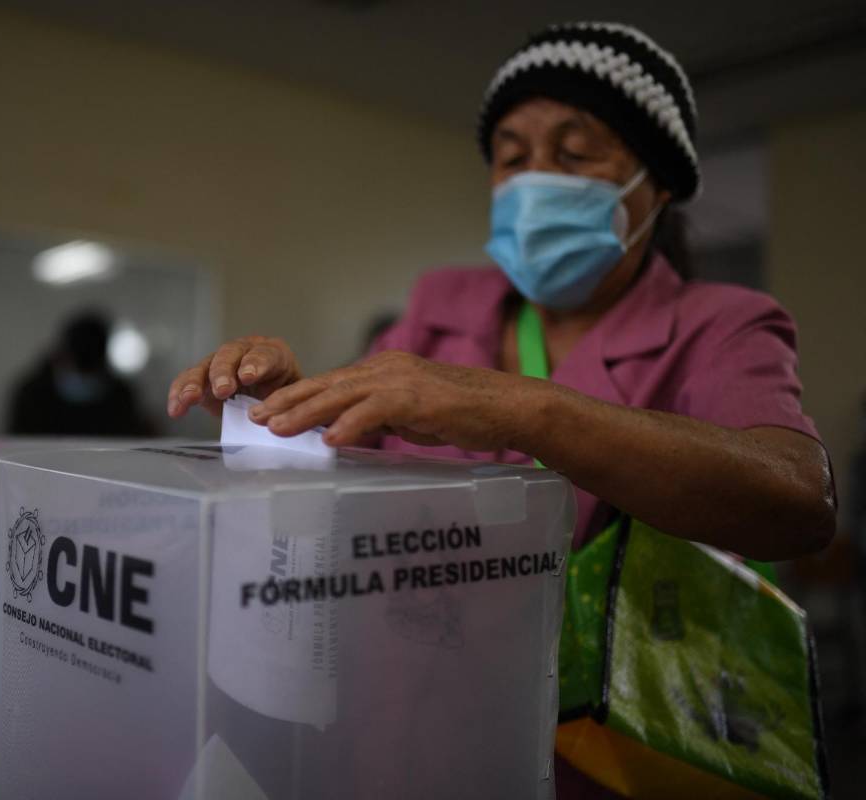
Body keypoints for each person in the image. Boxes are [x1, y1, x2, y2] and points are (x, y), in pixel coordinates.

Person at [166, 21, 835, 796]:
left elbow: (798, 499)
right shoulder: (443, 307)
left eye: (576, 152)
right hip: (403, 736)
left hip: (597, 759)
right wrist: (283, 409)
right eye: (512, 157)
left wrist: (523, 409)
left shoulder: (723, 325)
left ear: (659, 183)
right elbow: (348, 469)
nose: (535, 178)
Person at [7, 310, 154, 437]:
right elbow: (15, 444)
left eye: (90, 367)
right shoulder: (32, 395)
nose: (83, 377)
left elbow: (130, 441)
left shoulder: (121, 395)